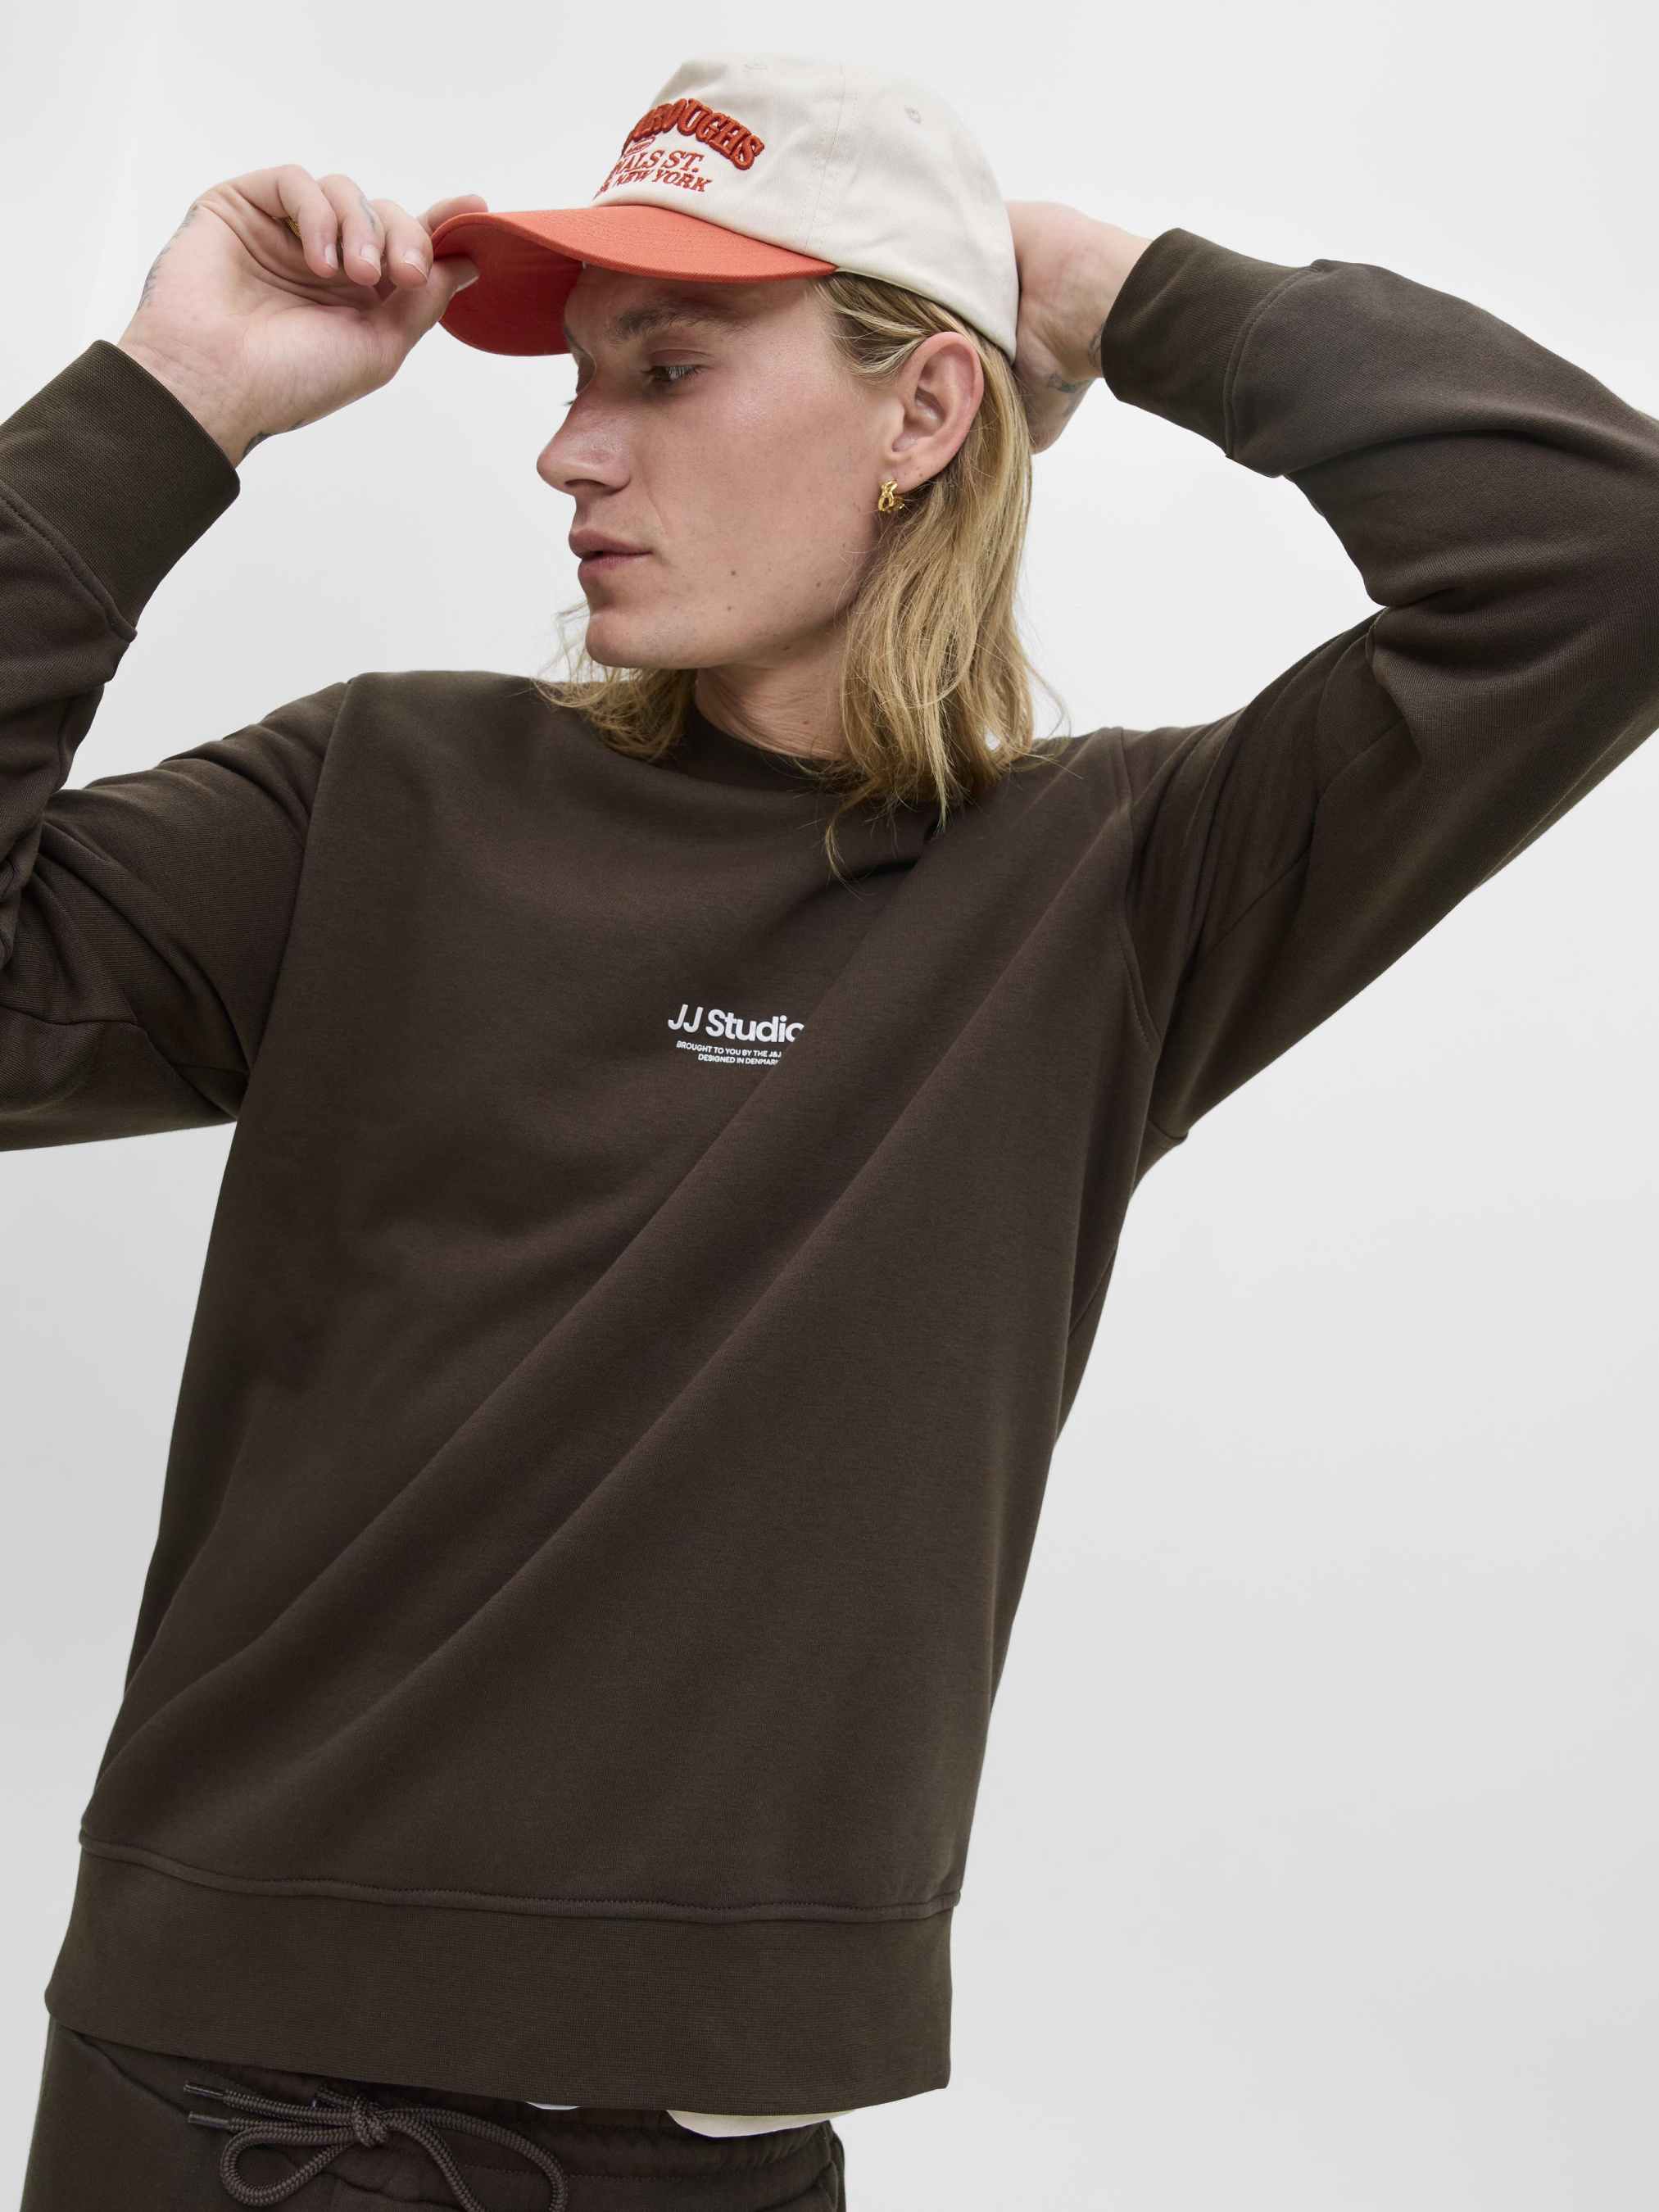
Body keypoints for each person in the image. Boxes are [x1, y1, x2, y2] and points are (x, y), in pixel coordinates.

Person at [5, 46, 1656, 2212]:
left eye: (666, 368)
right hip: (240, 2115)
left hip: (730, 2154)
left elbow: (1601, 557)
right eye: (578, 375)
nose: (569, 448)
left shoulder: (1112, 889)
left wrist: (1120, 290)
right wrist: (164, 401)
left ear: (923, 411)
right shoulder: (378, 795)